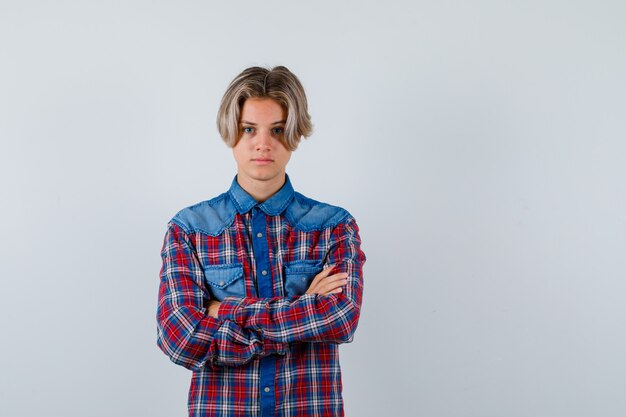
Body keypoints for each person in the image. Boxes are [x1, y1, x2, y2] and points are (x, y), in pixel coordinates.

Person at [156, 65, 366, 417]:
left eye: (278, 130)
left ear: (295, 135)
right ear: (231, 133)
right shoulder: (189, 229)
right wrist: (302, 309)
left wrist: (223, 311)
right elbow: (179, 337)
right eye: (249, 129)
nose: (263, 144)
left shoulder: (333, 226)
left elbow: (340, 318)